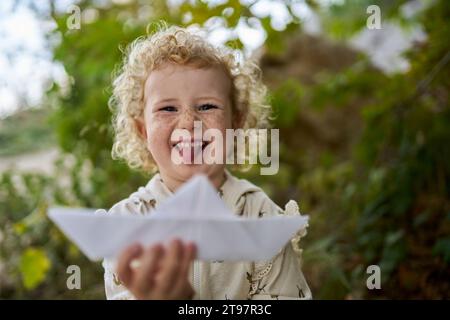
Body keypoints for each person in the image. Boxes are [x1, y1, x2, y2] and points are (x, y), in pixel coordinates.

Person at [97, 22, 311, 300]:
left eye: (207, 106)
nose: (188, 123)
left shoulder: (262, 218)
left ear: (236, 123)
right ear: (143, 130)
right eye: (167, 108)